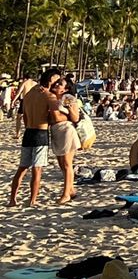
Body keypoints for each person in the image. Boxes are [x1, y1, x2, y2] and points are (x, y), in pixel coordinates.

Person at [8, 67, 59, 207]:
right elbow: (55, 117)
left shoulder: (29, 94)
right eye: (57, 80)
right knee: (37, 169)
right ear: (51, 80)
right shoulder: (48, 95)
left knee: (22, 168)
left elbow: (24, 117)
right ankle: (32, 200)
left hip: (28, 131)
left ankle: (12, 199)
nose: (58, 83)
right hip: (41, 133)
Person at [48, 75, 83, 203]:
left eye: (60, 84)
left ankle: (66, 194)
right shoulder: (52, 97)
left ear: (65, 89)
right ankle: (71, 189)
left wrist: (68, 109)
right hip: (56, 131)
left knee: (67, 163)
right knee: (61, 164)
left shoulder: (67, 98)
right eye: (57, 83)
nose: (56, 85)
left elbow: (75, 117)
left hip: (66, 130)